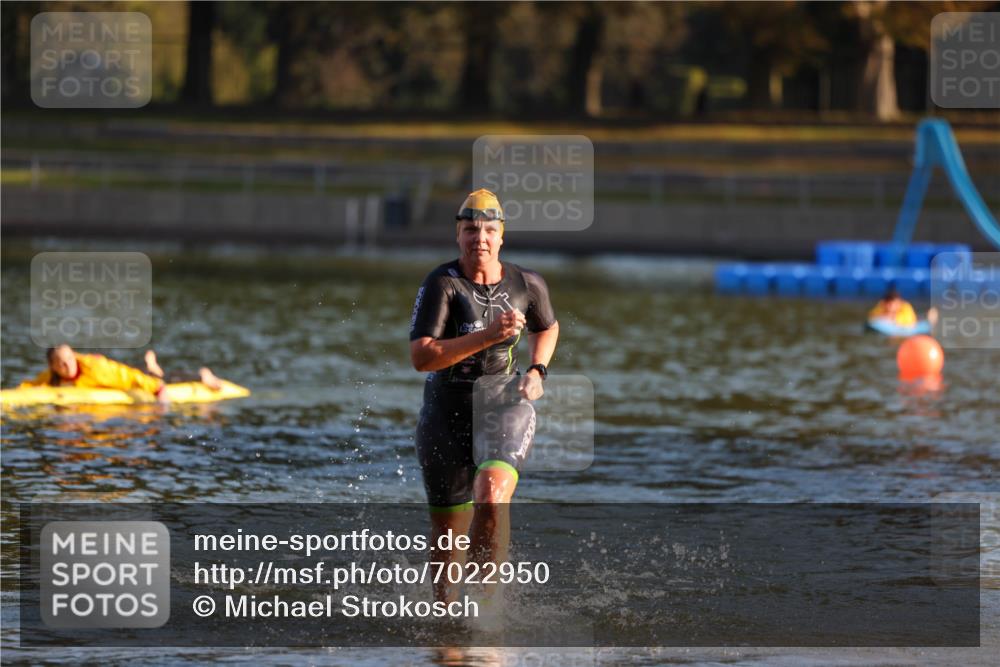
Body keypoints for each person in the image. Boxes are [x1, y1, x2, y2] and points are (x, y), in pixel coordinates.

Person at [409, 188, 559, 605]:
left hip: (503, 403)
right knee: (447, 541)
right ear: (458, 236)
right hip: (445, 410)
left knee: (491, 495)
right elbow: (422, 357)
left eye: (489, 230)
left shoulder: (526, 283)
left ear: (502, 236)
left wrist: (537, 370)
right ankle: (449, 627)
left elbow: (547, 326)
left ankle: (486, 609)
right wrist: (487, 336)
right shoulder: (442, 284)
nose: (481, 238)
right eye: (471, 229)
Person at [19, 344, 223, 401]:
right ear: (53, 366)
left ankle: (203, 375)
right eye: (61, 363)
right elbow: (32, 385)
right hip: (118, 372)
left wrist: (157, 390)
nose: (68, 366)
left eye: (69, 359)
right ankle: (148, 365)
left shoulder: (94, 368)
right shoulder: (52, 375)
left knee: (159, 378)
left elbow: (128, 377)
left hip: (120, 375)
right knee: (141, 370)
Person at [867, 288, 938, 328]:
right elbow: (872, 316)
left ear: (898, 303)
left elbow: (910, 322)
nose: (889, 307)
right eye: (887, 304)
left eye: (892, 304)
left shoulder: (905, 308)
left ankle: (931, 316)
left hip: (914, 320)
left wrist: (892, 318)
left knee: (926, 317)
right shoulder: (881, 305)